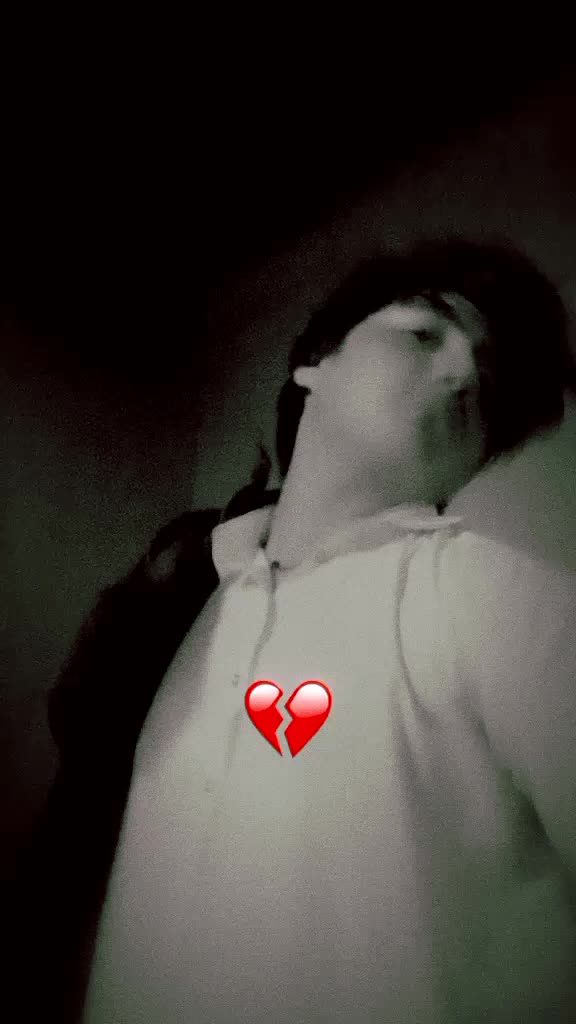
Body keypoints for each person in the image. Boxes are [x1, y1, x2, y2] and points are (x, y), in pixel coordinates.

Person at [7, 237, 576, 1021]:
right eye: (425, 332)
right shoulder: (175, 618)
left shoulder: (491, 592)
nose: (463, 373)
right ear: (313, 363)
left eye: (490, 374)